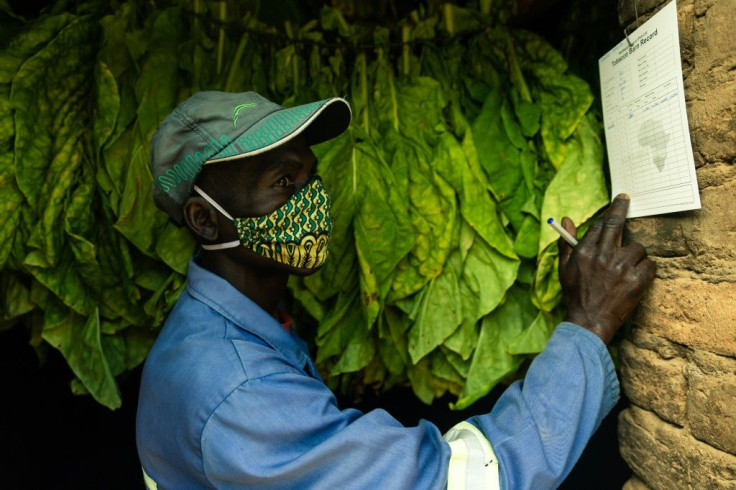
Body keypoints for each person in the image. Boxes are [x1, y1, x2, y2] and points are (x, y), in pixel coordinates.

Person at [136, 91, 656, 489]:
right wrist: (589, 324)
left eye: (311, 178)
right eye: (283, 183)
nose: (311, 201)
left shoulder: (231, 325)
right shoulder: (237, 391)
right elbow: (462, 482)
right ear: (205, 220)